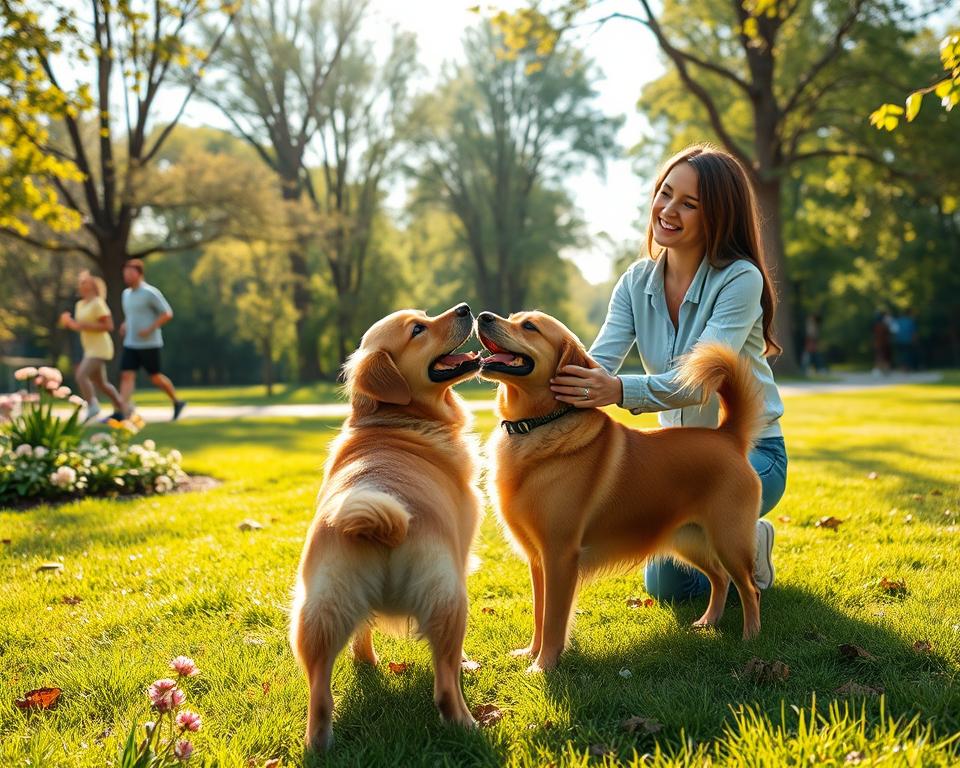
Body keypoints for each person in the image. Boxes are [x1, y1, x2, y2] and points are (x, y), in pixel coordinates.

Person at [549, 143, 788, 600]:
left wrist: (618, 391)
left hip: (749, 454)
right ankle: (737, 540)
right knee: (667, 586)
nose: (668, 210)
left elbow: (695, 384)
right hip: (675, 462)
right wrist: (543, 373)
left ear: (717, 215)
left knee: (697, 547)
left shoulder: (740, 279)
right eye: (664, 193)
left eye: (689, 203)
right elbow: (598, 362)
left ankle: (741, 539)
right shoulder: (636, 281)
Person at [118, 258, 186, 421]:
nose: (126, 276)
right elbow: (131, 315)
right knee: (127, 375)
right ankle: (122, 411)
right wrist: (125, 324)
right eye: (125, 273)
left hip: (149, 343)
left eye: (130, 273)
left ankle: (177, 401)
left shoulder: (150, 292)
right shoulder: (125, 294)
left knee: (155, 377)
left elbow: (167, 313)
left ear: (139, 274)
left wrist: (149, 329)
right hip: (131, 343)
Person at [59, 271, 125, 422]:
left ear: (93, 286)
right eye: (80, 282)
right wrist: (69, 323)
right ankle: (122, 408)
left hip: (100, 348)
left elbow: (108, 326)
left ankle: (92, 405)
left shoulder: (98, 303)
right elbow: (78, 327)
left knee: (81, 375)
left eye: (85, 282)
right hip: (89, 348)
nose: (81, 284)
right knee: (102, 384)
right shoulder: (79, 304)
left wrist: (82, 325)